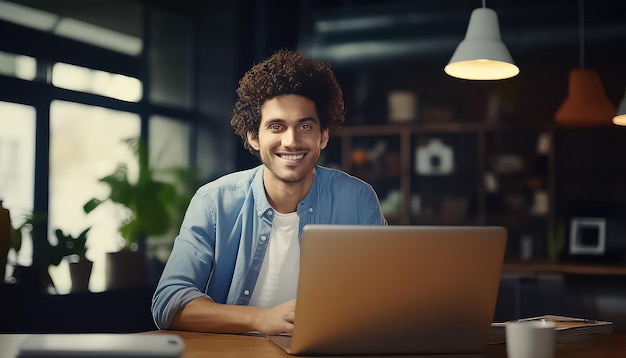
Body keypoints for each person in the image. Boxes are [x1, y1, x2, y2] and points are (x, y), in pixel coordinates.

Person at [151, 49, 387, 335]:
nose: (291, 140)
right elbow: (168, 303)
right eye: (276, 126)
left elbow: (382, 298)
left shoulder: (358, 200)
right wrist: (259, 319)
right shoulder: (214, 202)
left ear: (323, 135)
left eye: (305, 126)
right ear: (253, 136)